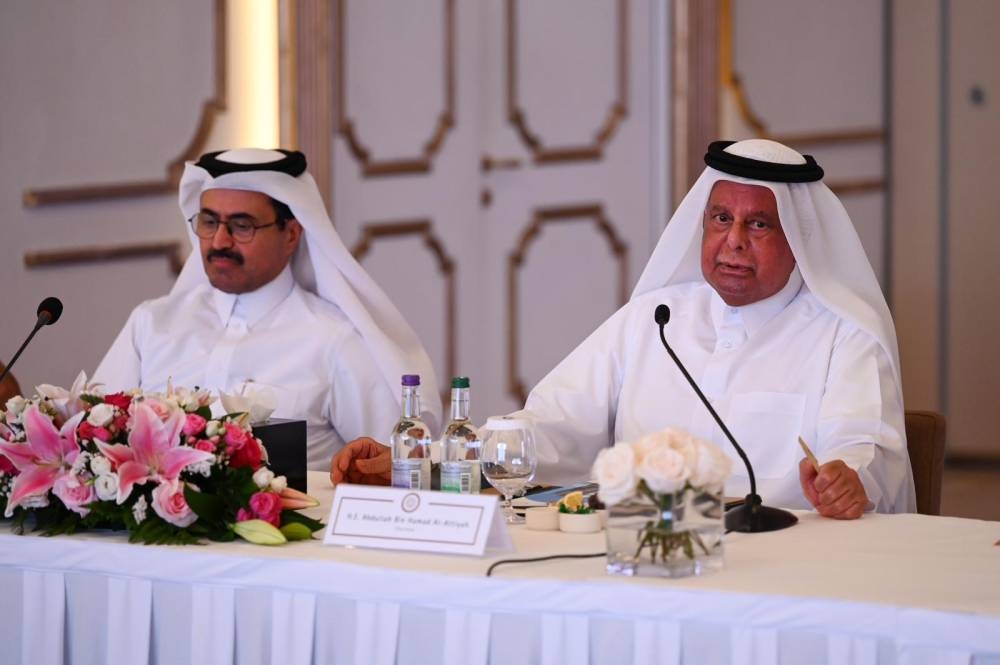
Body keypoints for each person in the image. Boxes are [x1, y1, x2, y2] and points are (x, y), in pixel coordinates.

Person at [330, 139, 916, 518]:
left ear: (799, 237)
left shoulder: (842, 336)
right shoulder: (655, 320)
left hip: (786, 567)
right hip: (641, 562)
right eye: (720, 218)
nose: (733, 241)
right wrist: (423, 460)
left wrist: (849, 478)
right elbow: (549, 426)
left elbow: (864, 447)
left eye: (758, 224)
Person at [94, 148, 440, 469]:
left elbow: (393, 466)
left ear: (291, 233)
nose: (219, 241)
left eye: (242, 226)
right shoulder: (152, 324)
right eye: (209, 222)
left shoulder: (334, 340)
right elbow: (92, 438)